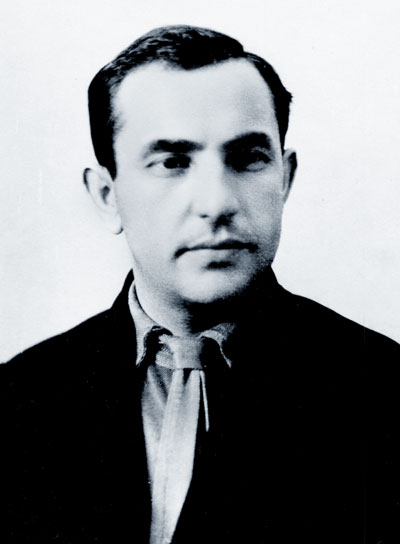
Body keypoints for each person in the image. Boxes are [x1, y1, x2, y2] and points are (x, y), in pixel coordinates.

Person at [1, 25, 399, 544]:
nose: (216, 203)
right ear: (106, 195)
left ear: (284, 178)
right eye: (172, 162)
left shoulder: (385, 392)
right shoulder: (19, 400)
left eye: (248, 158)